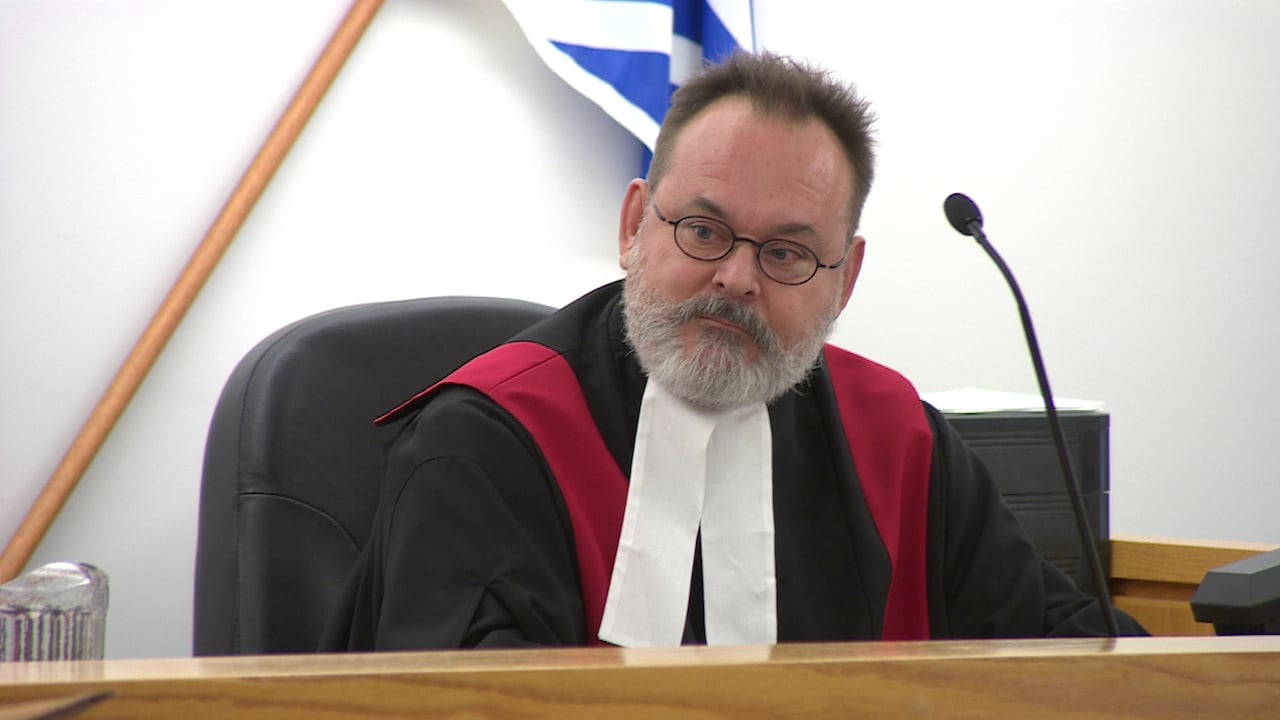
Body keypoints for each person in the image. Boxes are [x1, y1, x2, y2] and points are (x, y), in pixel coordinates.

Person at [319, 51, 1144, 650]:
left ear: (845, 278)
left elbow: (1065, 651)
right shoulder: (488, 440)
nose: (737, 278)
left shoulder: (902, 441)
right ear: (633, 225)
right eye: (704, 230)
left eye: (787, 253)